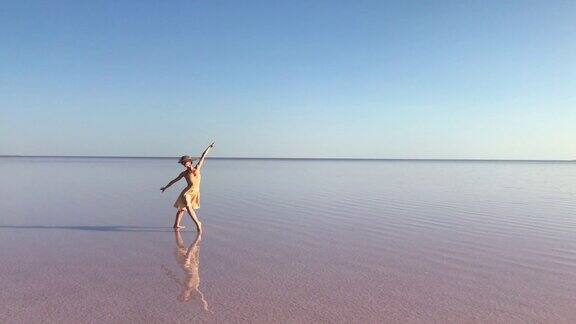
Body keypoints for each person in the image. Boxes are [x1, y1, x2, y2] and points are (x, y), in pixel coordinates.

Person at [161, 142, 214, 231]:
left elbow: (203, 156)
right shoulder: (184, 173)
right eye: (182, 163)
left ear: (190, 162)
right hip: (187, 192)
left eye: (185, 162)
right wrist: (165, 187)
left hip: (195, 192)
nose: (184, 164)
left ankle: (176, 225)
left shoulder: (197, 168)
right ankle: (198, 223)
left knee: (182, 209)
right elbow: (174, 181)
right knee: (188, 206)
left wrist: (209, 147)